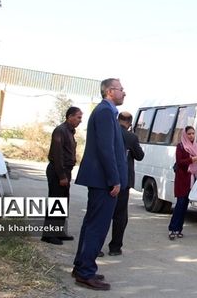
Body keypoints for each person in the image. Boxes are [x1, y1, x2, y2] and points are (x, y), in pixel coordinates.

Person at [72, 78, 127, 291]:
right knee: (97, 227)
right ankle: (86, 272)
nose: (125, 93)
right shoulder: (105, 112)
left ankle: (81, 267)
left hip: (101, 180)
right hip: (104, 182)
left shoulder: (106, 111)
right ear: (110, 91)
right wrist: (114, 179)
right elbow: (106, 149)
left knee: (91, 225)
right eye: (121, 89)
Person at [41, 106, 83, 245]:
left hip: (66, 171)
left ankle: (58, 231)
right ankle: (48, 234)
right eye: (78, 117)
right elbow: (57, 155)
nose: (80, 120)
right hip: (58, 171)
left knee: (63, 202)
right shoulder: (60, 130)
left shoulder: (70, 132)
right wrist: (62, 176)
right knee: (56, 201)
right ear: (69, 116)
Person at [107, 111, 145, 256]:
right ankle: (115, 247)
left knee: (103, 214)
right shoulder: (131, 137)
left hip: (107, 179)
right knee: (120, 215)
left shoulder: (110, 133)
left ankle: (96, 248)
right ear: (130, 122)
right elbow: (140, 156)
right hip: (123, 181)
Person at [168, 126, 197, 240]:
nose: (191, 136)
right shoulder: (181, 147)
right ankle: (172, 229)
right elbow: (180, 162)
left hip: (192, 179)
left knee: (185, 206)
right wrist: (193, 159)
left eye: (193, 133)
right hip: (182, 179)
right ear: (185, 135)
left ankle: (179, 229)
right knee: (179, 204)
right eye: (189, 134)